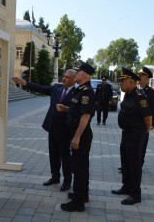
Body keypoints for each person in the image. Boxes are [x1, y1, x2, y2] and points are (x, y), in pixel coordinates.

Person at [12, 69, 77, 192]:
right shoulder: (56, 88)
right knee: (53, 154)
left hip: (65, 129)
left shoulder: (76, 92)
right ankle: (55, 177)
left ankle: (67, 180)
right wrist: (22, 82)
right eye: (64, 76)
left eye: (67, 77)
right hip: (52, 127)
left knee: (65, 156)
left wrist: (66, 109)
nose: (64, 79)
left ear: (74, 80)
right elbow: (40, 88)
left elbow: (76, 111)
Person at [56, 63, 96, 212]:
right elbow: (77, 110)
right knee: (80, 166)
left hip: (81, 134)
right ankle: (82, 194)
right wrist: (65, 108)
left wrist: (77, 137)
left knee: (79, 169)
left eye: (78, 71)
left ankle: (78, 203)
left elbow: (85, 116)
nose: (76, 73)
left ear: (84, 74)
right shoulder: (80, 90)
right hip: (78, 132)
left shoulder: (87, 92)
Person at [111, 67, 152, 205]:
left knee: (134, 165)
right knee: (126, 162)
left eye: (123, 81)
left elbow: (148, 118)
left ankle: (135, 194)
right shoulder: (127, 95)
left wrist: (144, 132)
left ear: (131, 82)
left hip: (136, 134)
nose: (120, 84)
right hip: (126, 133)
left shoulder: (140, 98)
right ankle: (126, 187)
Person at [137, 66, 154, 166]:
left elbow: (153, 109)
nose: (139, 76)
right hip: (133, 121)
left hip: (144, 122)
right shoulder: (133, 89)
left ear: (147, 77)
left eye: (141, 75)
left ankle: (139, 163)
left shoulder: (151, 92)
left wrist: (152, 123)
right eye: (138, 75)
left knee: (142, 144)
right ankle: (129, 163)